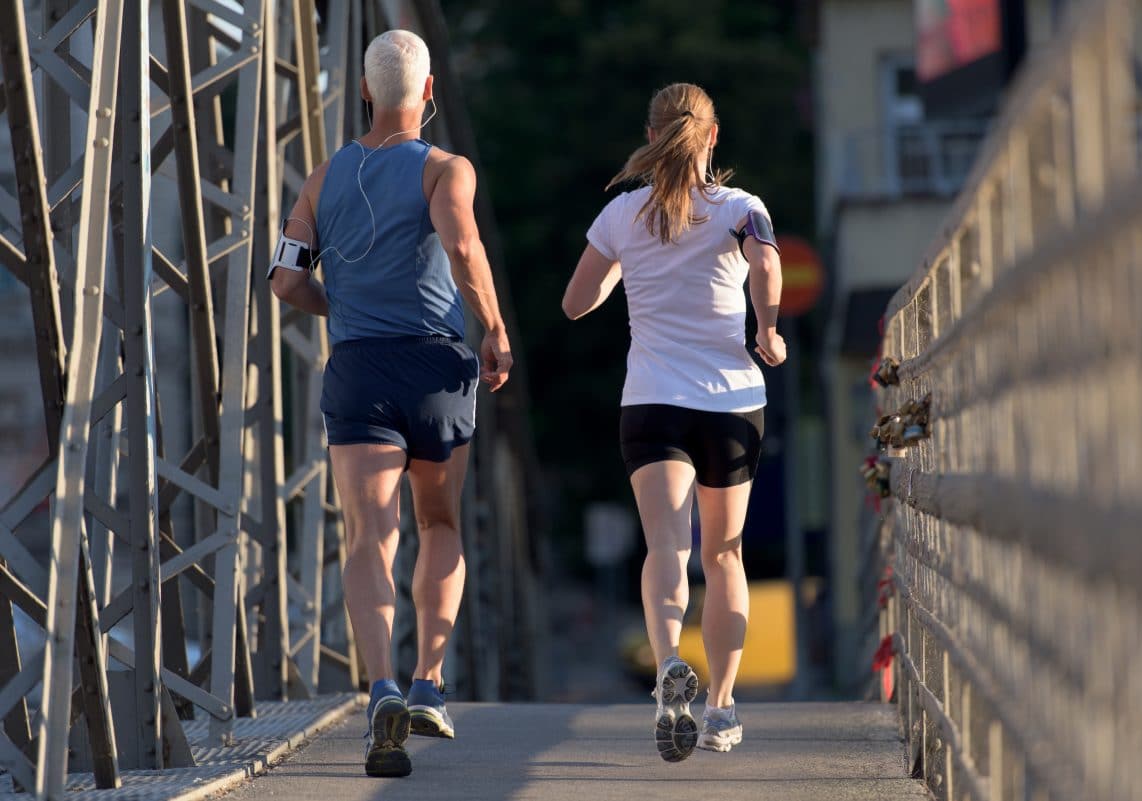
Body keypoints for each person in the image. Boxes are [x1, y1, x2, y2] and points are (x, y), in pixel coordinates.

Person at [268, 29, 512, 778]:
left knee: (369, 535)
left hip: (360, 370)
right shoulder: (445, 168)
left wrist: (337, 304)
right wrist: (496, 330)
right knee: (438, 520)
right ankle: (428, 681)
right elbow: (464, 248)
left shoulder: (320, 178)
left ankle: (379, 685)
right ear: (430, 94)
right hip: (435, 368)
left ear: (366, 92)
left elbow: (283, 280)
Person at [562, 83, 786, 763]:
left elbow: (576, 303)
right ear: (712, 137)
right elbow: (768, 263)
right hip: (730, 403)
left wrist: (620, 271)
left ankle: (666, 667)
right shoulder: (742, 210)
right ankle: (720, 706)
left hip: (653, 399)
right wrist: (768, 330)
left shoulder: (622, 216)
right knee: (724, 556)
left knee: (668, 550)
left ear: (653, 135)